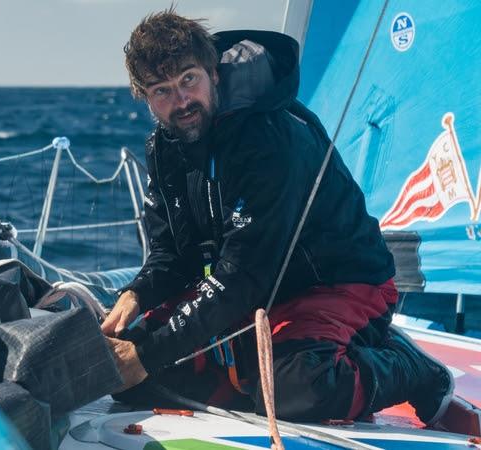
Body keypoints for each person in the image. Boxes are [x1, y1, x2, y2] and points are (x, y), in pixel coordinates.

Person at [102, 9, 455, 425]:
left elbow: (245, 272)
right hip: (256, 292)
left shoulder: (268, 136)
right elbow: (172, 254)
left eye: (188, 80)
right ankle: (249, 372)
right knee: (125, 377)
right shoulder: (164, 149)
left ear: (213, 73)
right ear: (143, 97)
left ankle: (408, 365)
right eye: (162, 90)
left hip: (339, 282)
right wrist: (137, 293)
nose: (181, 101)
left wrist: (148, 354)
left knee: (294, 391)